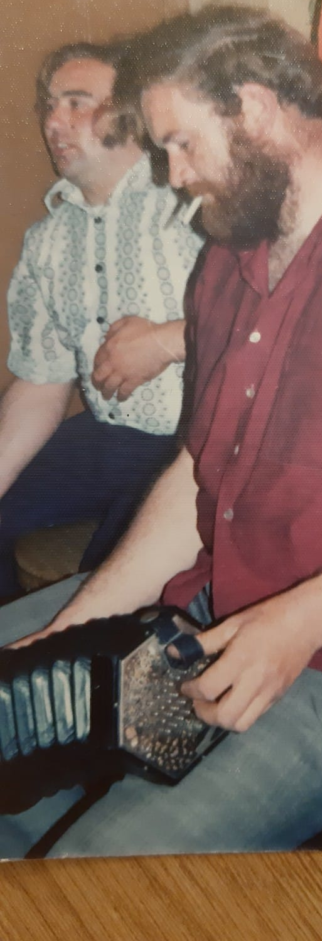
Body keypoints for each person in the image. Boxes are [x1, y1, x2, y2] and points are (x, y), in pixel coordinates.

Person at [0, 6, 322, 858]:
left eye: (180, 144)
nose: (173, 177)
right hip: (209, 608)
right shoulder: (225, 262)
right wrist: (85, 612)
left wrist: (301, 618)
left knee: (93, 876)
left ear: (253, 108)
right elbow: (196, 473)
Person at [0, 40, 203, 596]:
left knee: (106, 582)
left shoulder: (191, 204)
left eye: (76, 102)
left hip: (195, 444)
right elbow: (42, 381)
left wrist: (166, 342)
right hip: (107, 438)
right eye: (48, 104)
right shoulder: (47, 241)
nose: (54, 122)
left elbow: (266, 322)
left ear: (133, 112)